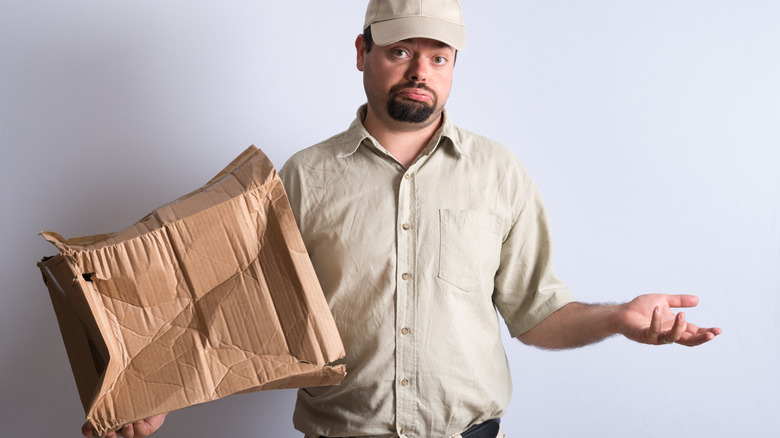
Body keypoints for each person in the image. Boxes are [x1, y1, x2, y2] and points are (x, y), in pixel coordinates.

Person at [82, 0, 721, 437]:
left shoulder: (499, 174)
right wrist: (154, 392)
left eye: (438, 57)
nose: (420, 72)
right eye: (400, 51)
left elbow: (537, 316)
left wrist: (618, 318)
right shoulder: (301, 177)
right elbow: (229, 313)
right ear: (362, 52)